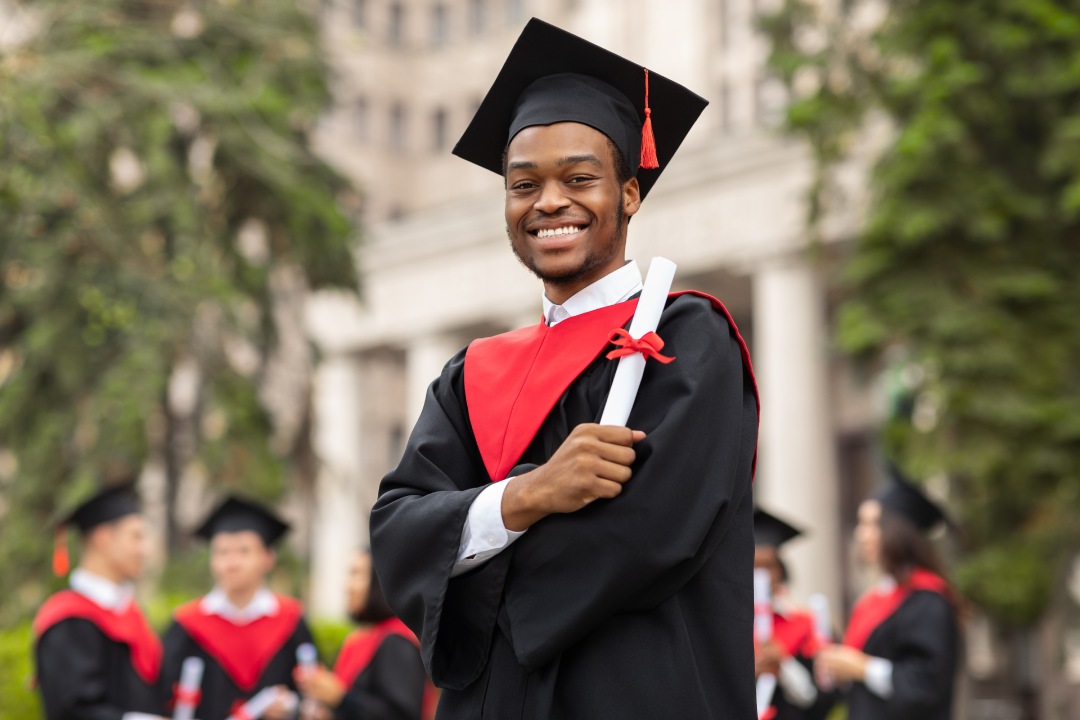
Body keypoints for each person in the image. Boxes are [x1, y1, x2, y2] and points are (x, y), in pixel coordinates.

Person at [369, 18, 760, 720]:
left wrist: (474, 563)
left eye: (580, 178)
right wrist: (528, 496)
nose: (550, 201)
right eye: (524, 184)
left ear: (630, 194)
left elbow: (651, 533)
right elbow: (397, 533)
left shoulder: (687, 337)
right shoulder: (472, 374)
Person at [815, 464, 960, 719]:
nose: (861, 535)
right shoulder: (874, 600)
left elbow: (926, 685)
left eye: (870, 524)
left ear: (897, 531)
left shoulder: (928, 601)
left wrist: (862, 668)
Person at [161, 495, 315, 720]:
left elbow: (313, 696)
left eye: (243, 551)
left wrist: (291, 705)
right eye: (222, 552)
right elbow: (161, 695)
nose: (232, 563)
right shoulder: (186, 625)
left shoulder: (291, 621)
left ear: (268, 558)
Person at [32, 483, 168, 720]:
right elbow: (71, 710)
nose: (144, 550)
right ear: (104, 538)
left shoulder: (128, 612)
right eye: (136, 537)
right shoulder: (68, 621)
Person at [296, 550, 431, 720]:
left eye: (356, 574)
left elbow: (401, 714)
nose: (348, 587)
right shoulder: (362, 639)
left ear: (380, 582)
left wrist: (340, 699)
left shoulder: (397, 642)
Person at [752, 508, 835, 720]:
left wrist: (783, 665)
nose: (760, 576)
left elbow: (819, 700)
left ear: (781, 570)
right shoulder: (725, 628)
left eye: (768, 566)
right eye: (752, 566)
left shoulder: (807, 626)